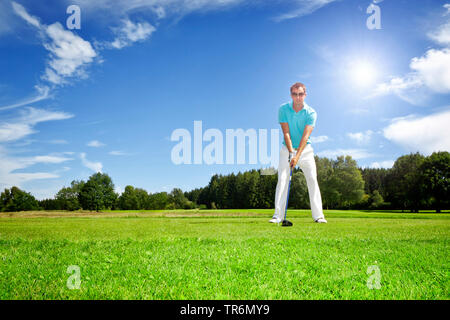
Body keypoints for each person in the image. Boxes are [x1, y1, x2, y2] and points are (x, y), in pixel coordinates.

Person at [269, 82, 327, 224]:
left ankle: (318, 216)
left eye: (300, 94)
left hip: (305, 150)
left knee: (312, 179)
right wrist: (290, 153)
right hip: (287, 149)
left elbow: (305, 136)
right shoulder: (283, 109)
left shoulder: (311, 113)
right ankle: (278, 216)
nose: (298, 97)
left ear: (305, 95)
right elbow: (286, 133)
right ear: (291, 95)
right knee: (282, 179)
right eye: (295, 94)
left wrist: (297, 155)